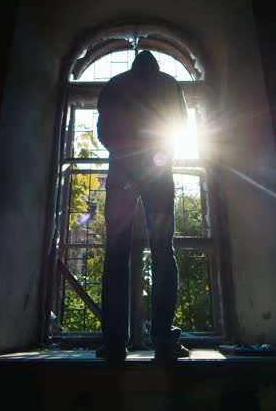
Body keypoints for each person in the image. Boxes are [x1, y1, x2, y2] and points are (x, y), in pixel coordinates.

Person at [95, 50, 190, 362]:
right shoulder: (169, 84)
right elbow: (180, 128)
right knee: (164, 253)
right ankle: (163, 340)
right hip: (159, 173)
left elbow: (104, 133)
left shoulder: (114, 85)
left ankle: (113, 344)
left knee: (116, 255)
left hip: (121, 172)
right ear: (156, 67)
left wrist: (126, 155)